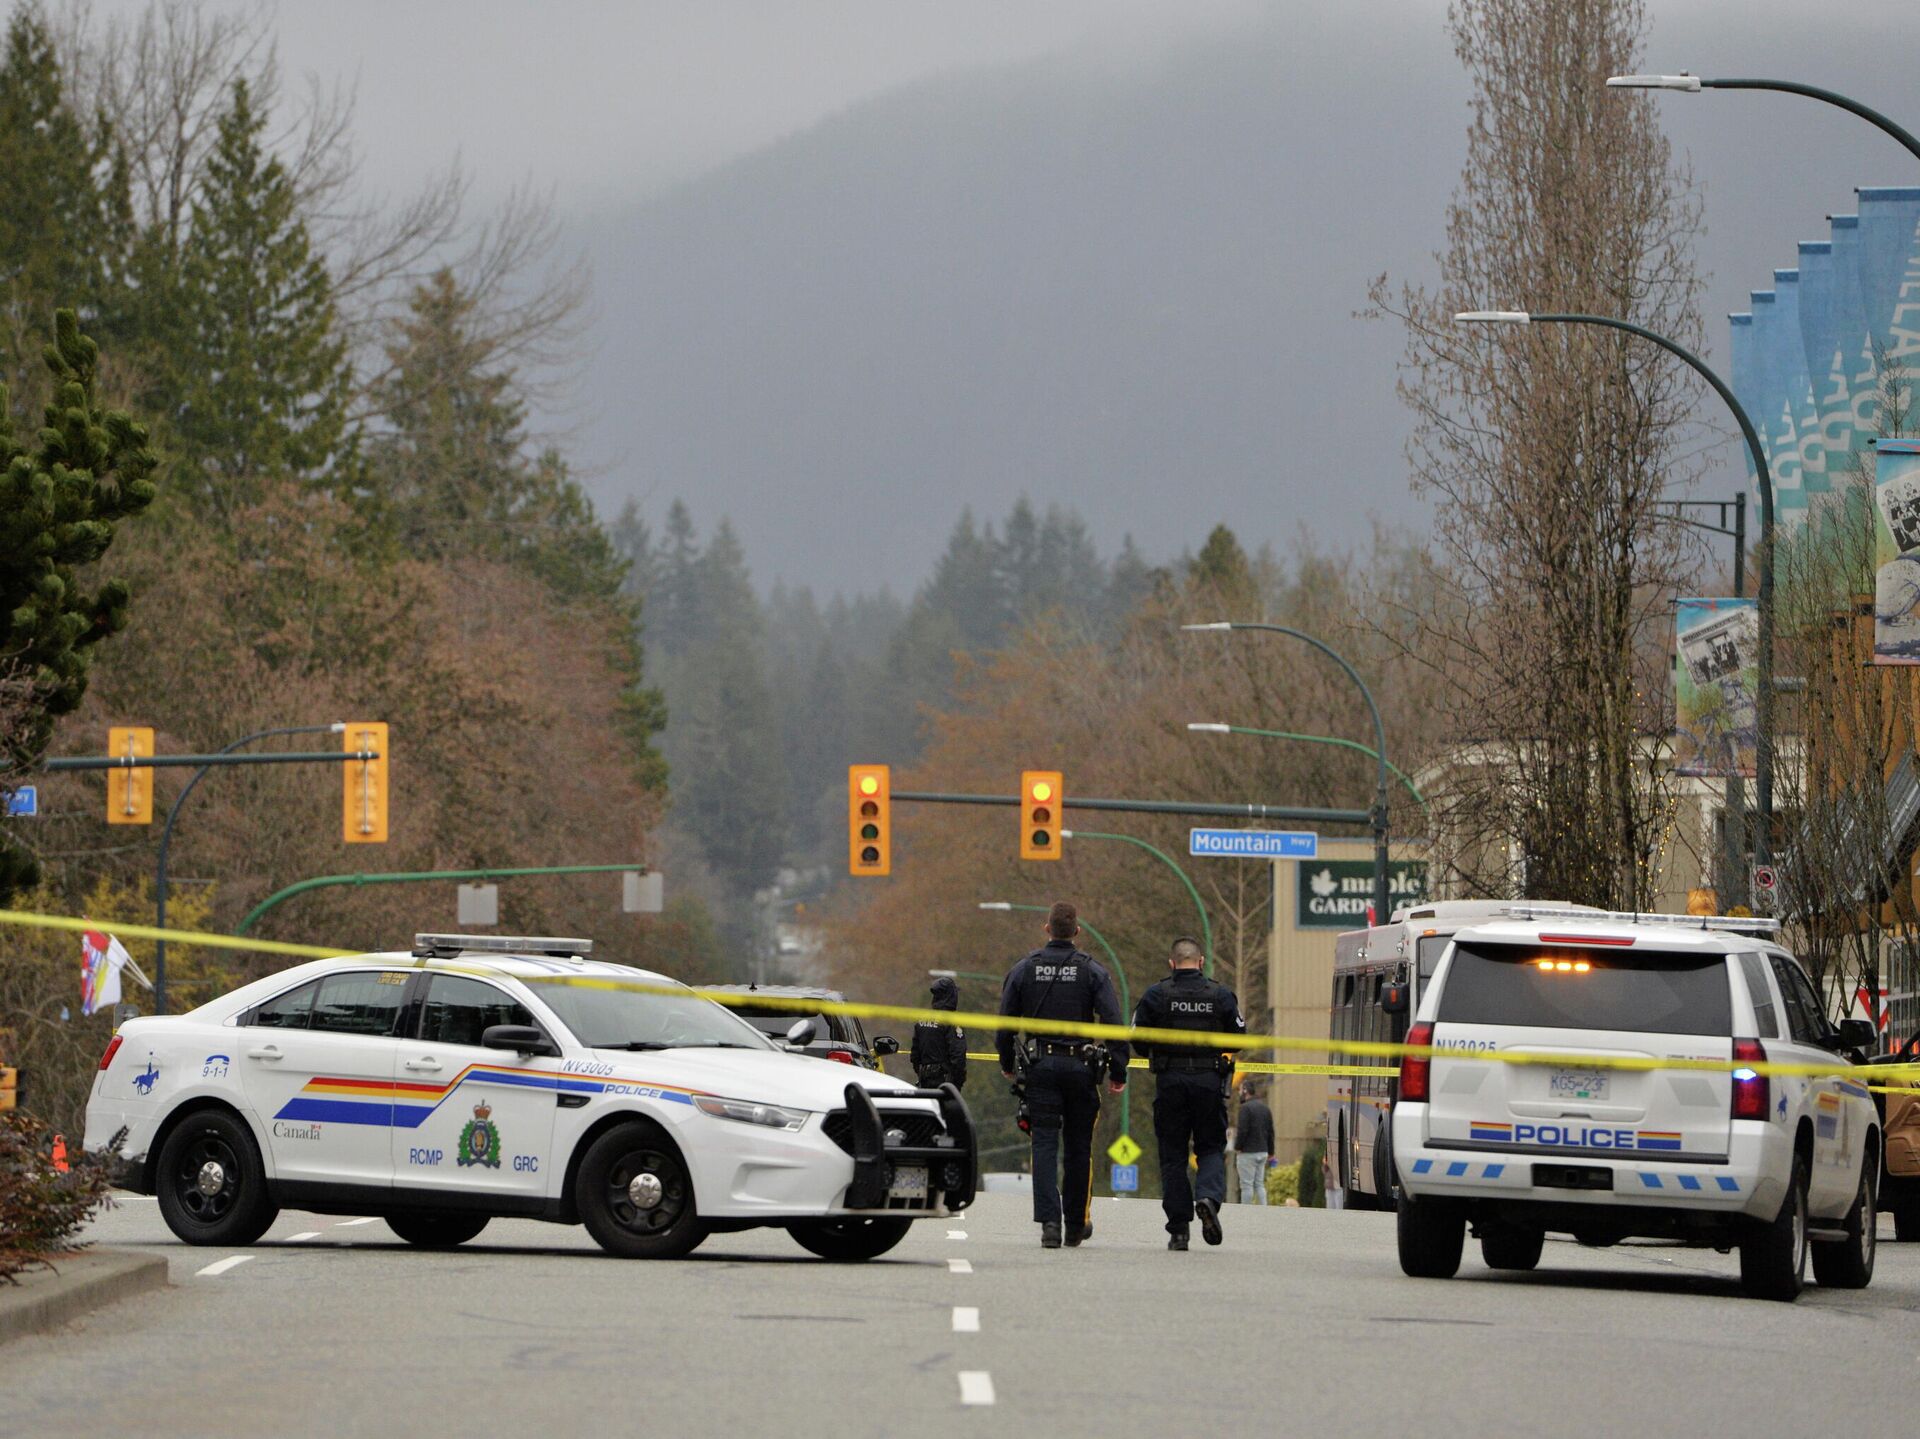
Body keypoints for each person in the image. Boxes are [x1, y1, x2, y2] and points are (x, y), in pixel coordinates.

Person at [998, 901, 1129, 1249]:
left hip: (1040, 1068)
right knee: (1078, 1147)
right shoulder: (1092, 971)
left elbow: (1005, 1023)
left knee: (1043, 1143)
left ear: (1047, 929)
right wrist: (1118, 1070)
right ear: (1077, 932)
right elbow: (1113, 1022)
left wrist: (1007, 1062)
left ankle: (1050, 1225)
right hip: (1081, 1069)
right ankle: (1075, 1225)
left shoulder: (1025, 969)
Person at [1132, 936, 1244, 1250]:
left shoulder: (1156, 994)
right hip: (1208, 1081)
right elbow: (1238, 1037)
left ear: (1172, 963)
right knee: (1210, 1147)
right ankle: (1207, 1198)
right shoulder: (1220, 994)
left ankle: (1179, 1230)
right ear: (1201, 962)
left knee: (1173, 1155)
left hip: (1170, 1082)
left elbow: (1137, 1039)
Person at [910, 975, 969, 1089]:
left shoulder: (922, 1021)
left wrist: (921, 1073)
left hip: (925, 1080)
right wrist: (958, 1081)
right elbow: (958, 1056)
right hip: (945, 1082)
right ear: (951, 995)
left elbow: (915, 1056)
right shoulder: (952, 1022)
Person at [1233, 1081, 1274, 1205]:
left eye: (1240, 1090)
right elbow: (1271, 1131)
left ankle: (1246, 1212)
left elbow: (1243, 1130)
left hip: (1248, 1152)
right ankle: (1263, 1209)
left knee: (1246, 1185)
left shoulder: (1245, 1108)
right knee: (1259, 1184)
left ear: (1245, 1090)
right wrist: (1271, 1151)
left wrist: (1238, 1147)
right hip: (1263, 1151)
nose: (1239, 1093)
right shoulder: (1265, 1108)